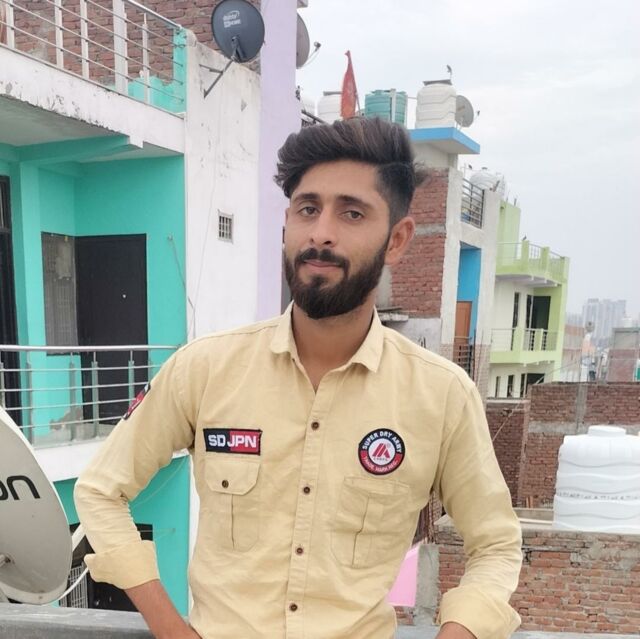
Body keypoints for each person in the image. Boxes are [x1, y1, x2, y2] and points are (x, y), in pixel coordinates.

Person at [75, 117, 522, 639]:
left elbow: (495, 544)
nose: (321, 233)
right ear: (286, 223)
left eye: (352, 213)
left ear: (397, 240)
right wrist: (170, 628)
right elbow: (101, 491)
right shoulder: (206, 368)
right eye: (308, 209)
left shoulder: (441, 395)